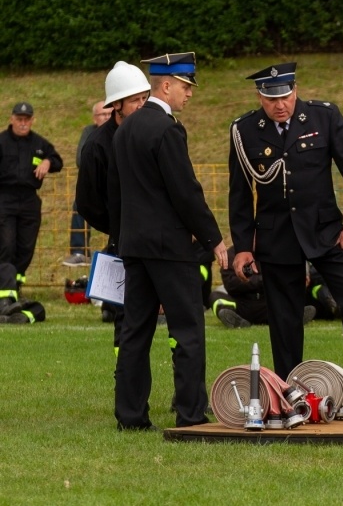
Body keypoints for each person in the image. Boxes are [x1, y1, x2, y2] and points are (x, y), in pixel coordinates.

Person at [228, 61, 343, 385]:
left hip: (326, 231)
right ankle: (290, 392)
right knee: (284, 319)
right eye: (271, 99)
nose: (280, 105)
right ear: (259, 97)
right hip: (276, 237)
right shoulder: (244, 130)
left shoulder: (323, 117)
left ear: (295, 90)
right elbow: (239, 193)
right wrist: (243, 247)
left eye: (285, 96)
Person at [108, 52, 228, 431]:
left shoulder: (125, 129)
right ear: (166, 85)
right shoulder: (167, 129)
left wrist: (124, 238)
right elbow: (185, 191)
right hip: (169, 248)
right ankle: (190, 414)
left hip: (134, 246)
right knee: (187, 329)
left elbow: (117, 193)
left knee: (135, 331)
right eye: (186, 86)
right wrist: (213, 238)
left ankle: (130, 416)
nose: (189, 94)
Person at [76, 61, 151, 349]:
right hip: (124, 243)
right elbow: (87, 202)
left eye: (144, 98)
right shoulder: (97, 146)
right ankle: (125, 373)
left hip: (158, 240)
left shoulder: (154, 134)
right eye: (134, 100)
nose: (142, 105)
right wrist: (119, 227)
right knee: (126, 316)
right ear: (116, 104)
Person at [0, 102, 64, 290]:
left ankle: (16, 285)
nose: (23, 123)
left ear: (32, 120)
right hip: (5, 198)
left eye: (26, 120)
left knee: (26, 246)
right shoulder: (2, 141)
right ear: (12, 119)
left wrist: (47, 161)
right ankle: (5, 288)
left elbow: (58, 161)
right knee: (6, 244)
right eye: (19, 119)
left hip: (29, 199)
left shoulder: (39, 143)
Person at [210, 246, 316, 328]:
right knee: (215, 296)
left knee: (295, 294)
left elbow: (283, 278)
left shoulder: (274, 252)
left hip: (269, 303)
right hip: (242, 304)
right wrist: (262, 280)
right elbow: (231, 284)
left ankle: (293, 316)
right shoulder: (232, 254)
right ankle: (235, 320)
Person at [63, 101, 112, 267]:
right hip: (95, 182)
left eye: (109, 114)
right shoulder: (89, 132)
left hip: (116, 184)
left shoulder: (120, 130)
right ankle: (79, 251)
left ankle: (114, 251)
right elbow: (80, 159)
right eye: (102, 114)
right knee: (80, 205)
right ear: (94, 118)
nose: (106, 117)